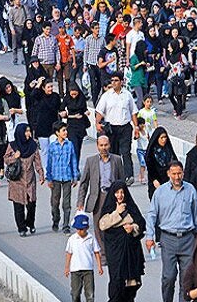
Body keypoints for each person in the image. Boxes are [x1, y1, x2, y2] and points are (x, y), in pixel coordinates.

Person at [146, 161, 197, 302]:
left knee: (187, 278)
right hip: (168, 239)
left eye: (179, 173)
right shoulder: (160, 192)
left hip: (188, 239)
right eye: (174, 174)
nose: (177, 177)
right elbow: (152, 215)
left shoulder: (190, 190)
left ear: (183, 173)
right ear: (168, 174)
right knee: (169, 276)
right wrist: (149, 236)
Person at [77, 135, 125, 263]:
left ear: (109, 145)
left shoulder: (117, 160)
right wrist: (80, 202)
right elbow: (84, 183)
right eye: (101, 145)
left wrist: (123, 199)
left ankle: (113, 252)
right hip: (98, 197)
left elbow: (122, 181)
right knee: (99, 226)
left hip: (113, 197)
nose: (104, 148)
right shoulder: (90, 161)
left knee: (114, 225)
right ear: (97, 146)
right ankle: (103, 254)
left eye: (106, 145)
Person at [100, 180, 146, 302]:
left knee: (131, 286)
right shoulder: (109, 207)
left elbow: (141, 224)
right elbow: (103, 225)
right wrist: (118, 213)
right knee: (117, 283)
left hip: (131, 252)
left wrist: (133, 228)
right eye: (117, 193)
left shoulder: (131, 207)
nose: (120, 195)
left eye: (122, 192)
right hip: (115, 253)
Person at [95, 71, 139, 185]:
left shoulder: (127, 95)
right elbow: (100, 111)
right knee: (113, 153)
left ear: (121, 82)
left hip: (125, 127)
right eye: (112, 81)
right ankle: (115, 176)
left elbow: (133, 111)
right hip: (112, 129)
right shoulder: (107, 96)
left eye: (116, 80)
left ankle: (129, 176)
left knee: (126, 152)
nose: (114, 83)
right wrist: (97, 123)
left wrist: (137, 127)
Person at [4, 123, 45, 236]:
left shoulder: (33, 146)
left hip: (30, 180)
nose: (28, 134)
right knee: (18, 206)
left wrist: (41, 174)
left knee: (31, 205)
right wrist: (14, 157)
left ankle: (30, 223)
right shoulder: (12, 146)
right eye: (26, 131)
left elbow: (37, 162)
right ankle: (21, 228)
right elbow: (6, 160)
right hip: (17, 180)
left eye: (29, 131)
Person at [46, 121, 80, 235]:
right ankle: (56, 219)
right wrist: (48, 178)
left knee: (67, 203)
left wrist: (75, 176)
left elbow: (73, 161)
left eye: (66, 130)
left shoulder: (69, 145)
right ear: (57, 133)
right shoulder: (52, 146)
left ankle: (66, 225)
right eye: (63, 130)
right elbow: (49, 163)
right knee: (55, 202)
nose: (66, 132)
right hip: (55, 178)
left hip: (67, 177)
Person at [64, 214, 104, 302]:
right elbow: (69, 253)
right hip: (75, 270)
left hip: (88, 269)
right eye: (78, 229)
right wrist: (67, 267)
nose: (80, 231)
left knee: (90, 294)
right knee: (75, 294)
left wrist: (99, 266)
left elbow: (96, 252)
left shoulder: (91, 238)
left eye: (82, 229)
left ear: (87, 228)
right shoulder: (72, 239)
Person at [32, 78, 61, 168]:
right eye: (48, 87)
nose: (50, 89)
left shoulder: (55, 96)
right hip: (42, 127)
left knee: (54, 149)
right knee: (44, 151)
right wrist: (39, 83)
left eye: (51, 86)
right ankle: (46, 171)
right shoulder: (40, 96)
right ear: (43, 88)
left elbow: (58, 108)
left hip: (53, 127)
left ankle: (55, 168)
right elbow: (33, 94)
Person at [60, 83, 90, 165]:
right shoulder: (67, 98)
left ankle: (75, 165)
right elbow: (61, 110)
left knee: (78, 147)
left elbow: (84, 108)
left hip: (81, 125)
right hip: (71, 125)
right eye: (72, 94)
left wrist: (86, 112)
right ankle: (72, 165)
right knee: (74, 147)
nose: (73, 96)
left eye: (75, 94)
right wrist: (71, 115)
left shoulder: (81, 98)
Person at [145, 127, 177, 201]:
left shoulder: (168, 149)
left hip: (170, 182)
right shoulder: (152, 152)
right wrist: (154, 180)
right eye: (161, 138)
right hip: (157, 182)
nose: (164, 140)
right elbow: (151, 168)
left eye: (165, 137)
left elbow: (175, 163)